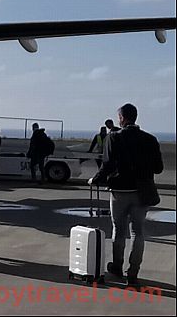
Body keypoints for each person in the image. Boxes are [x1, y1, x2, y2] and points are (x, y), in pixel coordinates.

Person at [89, 103, 164, 288]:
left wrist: (95, 180)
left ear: (122, 118)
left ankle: (117, 266)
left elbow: (107, 165)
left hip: (120, 191)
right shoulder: (150, 139)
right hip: (142, 192)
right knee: (138, 232)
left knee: (118, 229)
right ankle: (133, 273)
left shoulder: (113, 137)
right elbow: (159, 168)